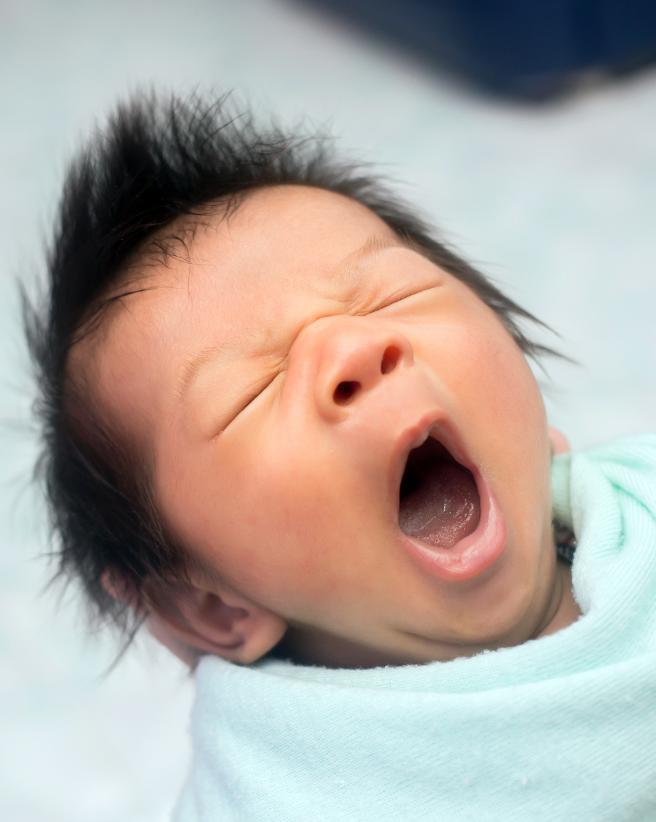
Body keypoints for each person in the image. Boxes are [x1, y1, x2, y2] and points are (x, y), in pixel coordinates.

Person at [25, 91, 656, 820]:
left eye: (391, 296)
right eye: (251, 391)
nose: (354, 346)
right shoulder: (278, 794)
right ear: (208, 602)